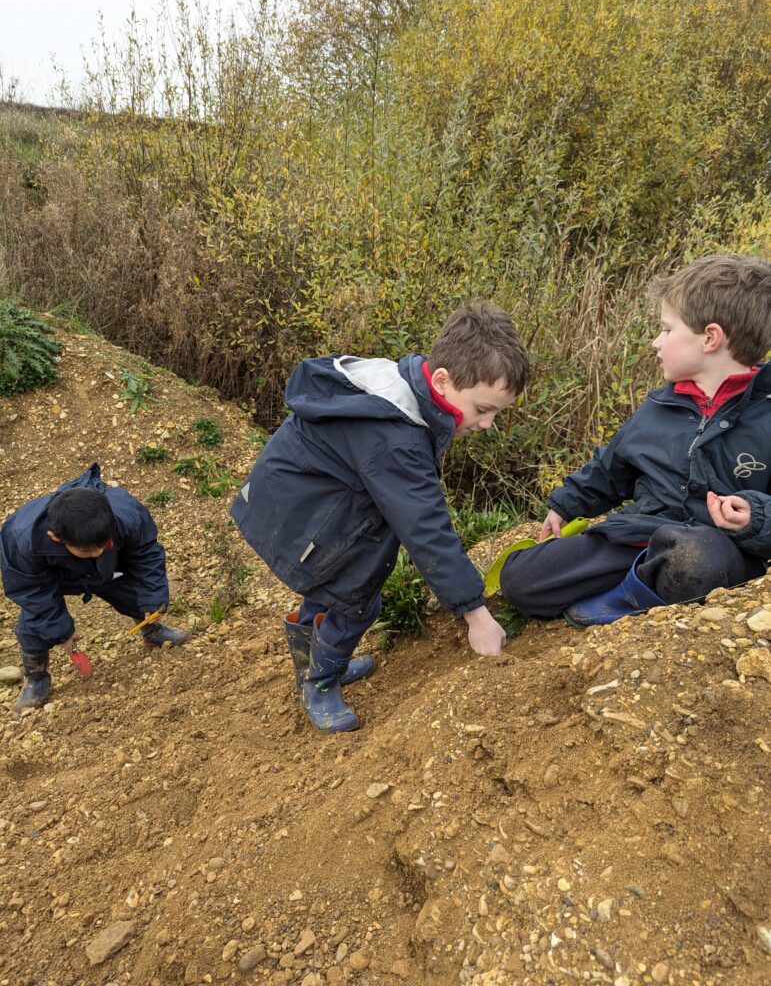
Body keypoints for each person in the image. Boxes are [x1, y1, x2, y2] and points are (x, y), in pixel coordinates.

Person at [232, 302, 530, 732]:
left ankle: (314, 660)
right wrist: (475, 614)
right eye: (483, 409)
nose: (488, 424)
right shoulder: (397, 436)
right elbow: (425, 527)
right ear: (442, 380)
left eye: (496, 413)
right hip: (303, 511)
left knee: (332, 579)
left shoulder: (402, 384)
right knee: (356, 599)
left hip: (302, 495)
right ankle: (320, 680)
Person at [499, 253, 771, 626]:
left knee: (699, 561)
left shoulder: (765, 417)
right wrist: (566, 503)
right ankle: (633, 586)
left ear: (710, 338)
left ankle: (627, 599)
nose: (655, 342)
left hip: (713, 546)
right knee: (520, 579)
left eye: (666, 329)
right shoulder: (657, 406)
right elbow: (610, 469)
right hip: (638, 536)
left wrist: (754, 517)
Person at [0, 463, 189, 711]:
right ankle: (36, 677)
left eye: (105, 544)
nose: (98, 552)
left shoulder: (125, 513)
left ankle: (152, 630)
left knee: (135, 594)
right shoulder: (21, 538)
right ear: (56, 537)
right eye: (88, 550)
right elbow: (31, 591)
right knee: (36, 620)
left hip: (108, 568)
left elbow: (145, 554)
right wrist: (61, 632)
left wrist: (153, 598)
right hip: (53, 574)